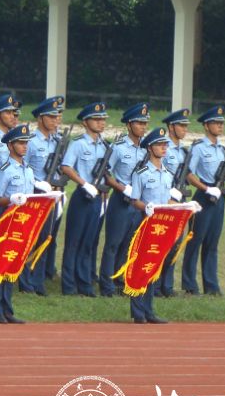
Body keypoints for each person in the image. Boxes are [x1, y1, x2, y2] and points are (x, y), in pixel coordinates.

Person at [0, 123, 37, 324]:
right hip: (5, 221)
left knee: (13, 265)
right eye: (20, 143)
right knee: (0, 265)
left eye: (26, 143)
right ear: (10, 146)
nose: (24, 146)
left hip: (22, 223)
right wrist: (12, 199)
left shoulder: (29, 171)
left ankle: (8, 309)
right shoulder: (4, 170)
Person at [59, 101, 110, 297]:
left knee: (89, 242)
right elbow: (66, 167)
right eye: (96, 119)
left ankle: (85, 283)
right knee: (73, 242)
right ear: (86, 122)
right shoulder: (78, 143)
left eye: (103, 119)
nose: (101, 123)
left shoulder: (105, 146)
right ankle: (69, 285)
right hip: (82, 195)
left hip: (97, 196)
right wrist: (83, 183)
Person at [100, 102, 149, 297]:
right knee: (113, 243)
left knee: (130, 244)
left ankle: (121, 280)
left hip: (137, 203)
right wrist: (122, 188)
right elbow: (106, 172)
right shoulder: (118, 147)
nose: (142, 127)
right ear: (129, 125)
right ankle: (107, 284)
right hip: (120, 200)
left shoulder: (147, 148)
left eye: (145, 123)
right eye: (138, 123)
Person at [128, 127, 174, 324]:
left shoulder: (168, 173)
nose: (164, 148)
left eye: (165, 144)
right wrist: (146, 207)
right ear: (149, 148)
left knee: (154, 264)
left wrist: (184, 207)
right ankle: (138, 311)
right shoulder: (141, 172)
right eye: (159, 144)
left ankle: (149, 309)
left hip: (162, 225)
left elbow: (168, 199)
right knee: (141, 265)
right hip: (145, 222)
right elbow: (134, 199)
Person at [183, 106, 225, 297]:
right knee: (195, 241)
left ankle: (211, 286)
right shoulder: (198, 148)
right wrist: (205, 188)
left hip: (219, 197)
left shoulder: (223, 150)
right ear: (206, 125)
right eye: (216, 123)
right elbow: (188, 173)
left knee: (212, 243)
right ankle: (189, 285)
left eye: (221, 123)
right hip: (204, 196)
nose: (220, 126)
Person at [20, 96, 62, 296]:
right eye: (51, 117)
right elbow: (22, 167)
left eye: (57, 117)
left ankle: (38, 280)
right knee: (31, 237)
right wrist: (37, 184)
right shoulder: (31, 141)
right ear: (40, 118)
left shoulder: (57, 141)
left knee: (46, 237)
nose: (56, 120)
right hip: (35, 192)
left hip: (51, 193)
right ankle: (25, 279)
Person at [155, 108, 191, 297]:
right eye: (181, 125)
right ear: (171, 127)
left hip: (180, 198)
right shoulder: (162, 146)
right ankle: (156, 283)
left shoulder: (184, 151)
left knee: (175, 242)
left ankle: (167, 286)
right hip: (166, 198)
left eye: (186, 126)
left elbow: (188, 174)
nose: (185, 129)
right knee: (162, 242)